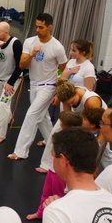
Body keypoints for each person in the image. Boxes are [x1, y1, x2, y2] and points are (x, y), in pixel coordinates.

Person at [8, 13, 68, 161]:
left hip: (49, 86)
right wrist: (32, 54)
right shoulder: (29, 42)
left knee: (32, 115)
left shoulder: (57, 47)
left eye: (41, 27)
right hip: (34, 84)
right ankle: (55, 142)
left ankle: (21, 151)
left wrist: (58, 91)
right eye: (36, 26)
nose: (37, 29)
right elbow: (22, 65)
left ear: (49, 27)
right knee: (42, 118)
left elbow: (64, 69)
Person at [36, 78, 106, 173]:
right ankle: (46, 165)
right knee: (56, 133)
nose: (70, 104)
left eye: (72, 102)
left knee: (104, 150)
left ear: (76, 93)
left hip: (99, 120)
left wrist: (98, 140)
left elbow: (99, 122)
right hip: (81, 116)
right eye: (68, 103)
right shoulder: (67, 97)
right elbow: (67, 119)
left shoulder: (91, 101)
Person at [26, 111, 82, 221]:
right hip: (52, 170)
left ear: (66, 126)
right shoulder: (60, 137)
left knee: (58, 196)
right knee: (46, 193)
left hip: (60, 174)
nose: (59, 124)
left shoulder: (72, 142)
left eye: (61, 123)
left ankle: (59, 218)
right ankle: (40, 213)